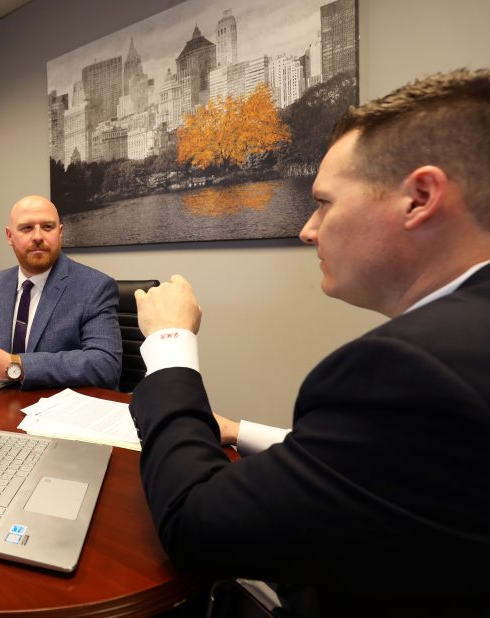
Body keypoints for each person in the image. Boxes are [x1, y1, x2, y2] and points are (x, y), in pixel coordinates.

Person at [129, 68, 490, 616]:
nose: (307, 229)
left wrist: (169, 341)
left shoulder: (409, 367)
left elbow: (195, 525)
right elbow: (385, 465)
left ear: (419, 198)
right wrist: (240, 431)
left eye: (323, 202)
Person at [0, 195, 121, 389]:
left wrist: (14, 365)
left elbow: (105, 365)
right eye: (27, 228)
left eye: (47, 227)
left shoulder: (95, 287)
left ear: (60, 232)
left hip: (61, 409)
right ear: (9, 236)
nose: (37, 236)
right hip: (3, 403)